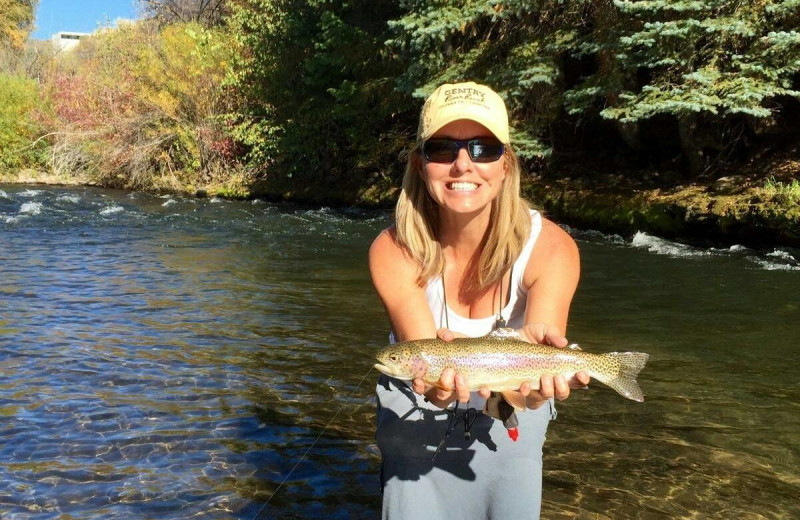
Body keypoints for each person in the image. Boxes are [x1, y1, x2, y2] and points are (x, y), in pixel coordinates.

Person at [368, 81, 591, 519]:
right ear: (420, 163)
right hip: (414, 428)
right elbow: (432, 384)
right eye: (443, 149)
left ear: (505, 164)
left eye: (483, 148)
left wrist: (533, 390)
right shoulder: (392, 250)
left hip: (510, 422)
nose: (462, 164)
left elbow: (528, 394)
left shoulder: (552, 248)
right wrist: (441, 389)